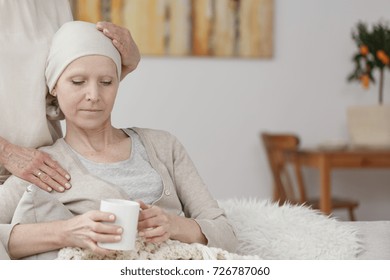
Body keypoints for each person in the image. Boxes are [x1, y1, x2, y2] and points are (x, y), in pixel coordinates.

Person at [0, 21, 238, 260]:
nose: (93, 95)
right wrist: (66, 232)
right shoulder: (44, 167)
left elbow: (226, 234)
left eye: (106, 82)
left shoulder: (164, 145)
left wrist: (174, 225)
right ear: (54, 87)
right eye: (77, 82)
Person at [0, 0, 140, 192]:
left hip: (42, 172)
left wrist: (125, 65)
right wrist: (5, 152)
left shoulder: (55, 5)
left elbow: (55, 95)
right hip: (20, 170)